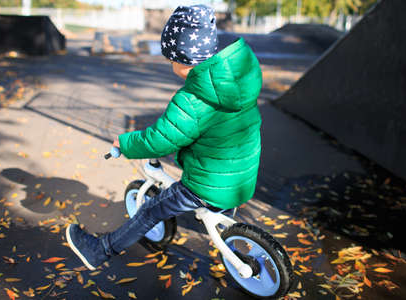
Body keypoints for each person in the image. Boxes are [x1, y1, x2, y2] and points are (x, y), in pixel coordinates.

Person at [66, 4, 263, 271]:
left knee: (150, 211)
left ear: (184, 60)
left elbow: (160, 140)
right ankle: (226, 232)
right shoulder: (240, 75)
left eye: (170, 58)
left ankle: (98, 251)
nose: (170, 64)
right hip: (242, 174)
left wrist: (124, 143)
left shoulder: (193, 100)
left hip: (208, 183)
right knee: (217, 200)